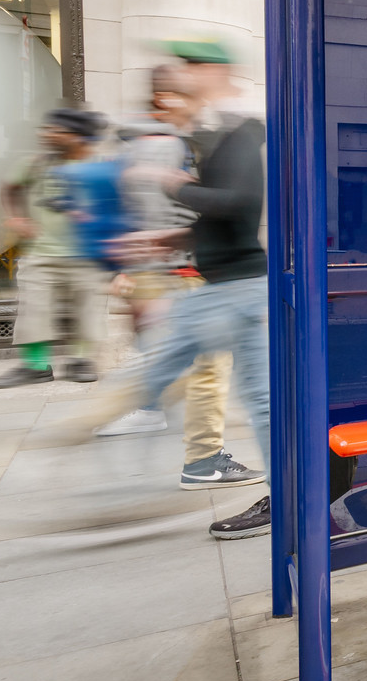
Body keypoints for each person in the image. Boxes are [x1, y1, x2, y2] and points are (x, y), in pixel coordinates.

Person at [110, 40, 268, 494]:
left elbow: (236, 204)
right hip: (222, 282)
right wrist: (170, 237)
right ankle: (192, 455)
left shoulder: (237, 128)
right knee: (230, 386)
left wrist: (171, 185)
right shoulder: (211, 131)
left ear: (214, 73)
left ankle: (277, 492)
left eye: (190, 68)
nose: (180, 79)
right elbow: (222, 213)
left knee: (236, 388)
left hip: (233, 285)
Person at [95, 67, 236, 472]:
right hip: (178, 272)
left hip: (161, 270)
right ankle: (205, 458)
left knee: (175, 358)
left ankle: (150, 412)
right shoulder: (163, 147)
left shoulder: (147, 144)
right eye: (191, 96)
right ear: (165, 99)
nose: (203, 103)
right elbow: (177, 212)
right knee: (205, 365)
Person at [0, 108, 113, 388]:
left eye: (56, 130)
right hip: (41, 252)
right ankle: (35, 367)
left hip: (87, 255)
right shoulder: (35, 164)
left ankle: (81, 361)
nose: (47, 134)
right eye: (47, 129)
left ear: (78, 137)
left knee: (88, 309)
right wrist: (15, 217)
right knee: (34, 309)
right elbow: (9, 187)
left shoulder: (101, 164)